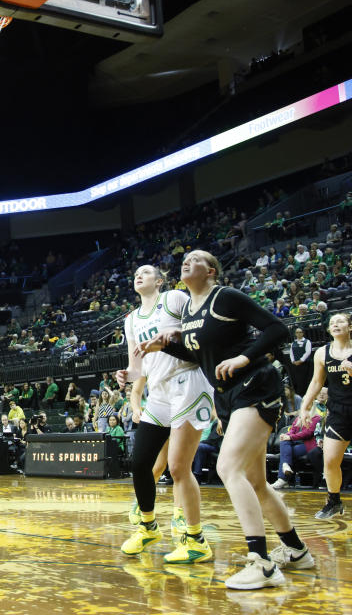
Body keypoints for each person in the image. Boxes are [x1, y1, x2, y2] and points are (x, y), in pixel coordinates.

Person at [138, 250, 313, 590]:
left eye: (196, 259)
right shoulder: (188, 311)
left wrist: (244, 357)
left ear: (212, 270)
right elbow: (199, 354)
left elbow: (277, 330)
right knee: (256, 481)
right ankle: (296, 550)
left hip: (256, 385)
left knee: (227, 468)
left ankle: (261, 563)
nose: (187, 262)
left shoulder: (226, 296)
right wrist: (163, 348)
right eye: (184, 260)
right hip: (229, 396)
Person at [115, 265, 215, 563]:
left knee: (178, 468)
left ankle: (196, 538)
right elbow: (136, 368)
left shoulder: (173, 299)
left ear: (159, 281)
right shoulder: (131, 320)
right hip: (158, 391)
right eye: (135, 273)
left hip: (188, 380)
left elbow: (200, 329)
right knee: (140, 462)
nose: (138, 275)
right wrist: (126, 376)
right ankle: (148, 526)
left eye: (146, 272)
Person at [297, 312, 351, 519]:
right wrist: (305, 406)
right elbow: (316, 382)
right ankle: (334, 502)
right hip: (338, 411)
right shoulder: (322, 352)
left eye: (341, 321)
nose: (336, 325)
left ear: (350, 326)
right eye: (332, 323)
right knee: (329, 460)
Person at [271, 413, 322, 489]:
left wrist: (290, 437)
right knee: (284, 441)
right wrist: (286, 436)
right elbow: (292, 430)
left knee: (285, 453)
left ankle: (283, 479)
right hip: (295, 441)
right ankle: (285, 467)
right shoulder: (299, 417)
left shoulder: (316, 418)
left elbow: (308, 433)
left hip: (307, 444)